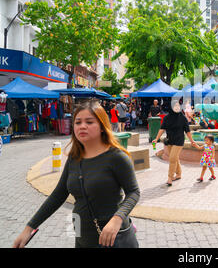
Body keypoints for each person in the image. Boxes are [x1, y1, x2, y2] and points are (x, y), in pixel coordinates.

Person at [13, 101, 140, 248]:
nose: (82, 126)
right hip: (82, 235)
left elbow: (134, 192)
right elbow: (58, 195)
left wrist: (117, 219)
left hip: (113, 237)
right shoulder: (75, 158)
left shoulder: (117, 157)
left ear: (102, 127)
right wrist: (29, 228)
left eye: (89, 122)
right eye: (78, 122)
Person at [152, 101, 200, 186]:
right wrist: (156, 139)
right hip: (170, 140)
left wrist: (192, 140)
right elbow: (162, 129)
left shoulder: (183, 118)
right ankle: (179, 174)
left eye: (178, 106)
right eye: (175, 106)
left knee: (172, 158)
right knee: (175, 158)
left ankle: (170, 177)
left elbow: (187, 131)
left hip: (179, 140)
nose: (177, 108)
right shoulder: (167, 118)